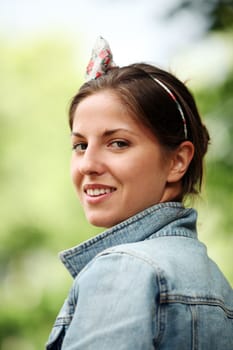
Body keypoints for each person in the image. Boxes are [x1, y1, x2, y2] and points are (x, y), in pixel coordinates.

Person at [46, 37, 233, 350]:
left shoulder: (125, 269)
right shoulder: (215, 282)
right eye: (80, 145)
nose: (88, 164)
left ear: (177, 161)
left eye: (118, 143)